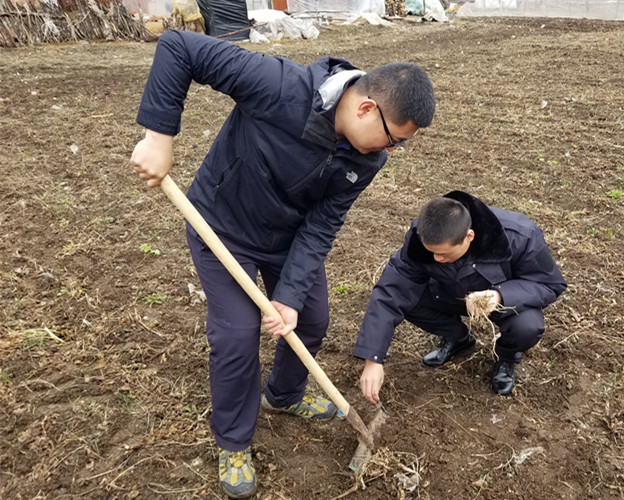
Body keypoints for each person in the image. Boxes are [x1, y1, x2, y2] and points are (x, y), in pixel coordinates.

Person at [129, 30, 435, 499]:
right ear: (367, 108)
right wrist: (158, 135)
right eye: (394, 140)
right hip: (222, 227)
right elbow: (180, 48)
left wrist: (289, 296)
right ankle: (233, 441)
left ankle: (285, 394)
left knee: (310, 319)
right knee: (235, 333)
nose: (390, 152)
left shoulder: (367, 160)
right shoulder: (280, 85)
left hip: (286, 240)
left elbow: (322, 225)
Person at [354, 191, 566, 403]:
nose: (436, 258)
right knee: (409, 300)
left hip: (498, 301)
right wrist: (373, 359)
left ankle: (506, 357)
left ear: (469, 237)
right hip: (448, 293)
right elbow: (391, 291)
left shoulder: (521, 235)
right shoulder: (419, 242)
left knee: (527, 326)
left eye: (444, 254)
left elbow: (550, 284)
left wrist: (501, 295)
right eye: (432, 252)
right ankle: (457, 339)